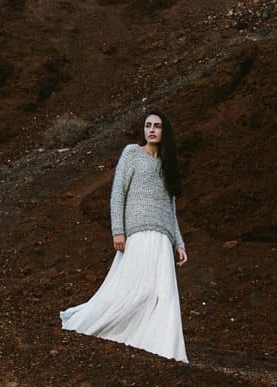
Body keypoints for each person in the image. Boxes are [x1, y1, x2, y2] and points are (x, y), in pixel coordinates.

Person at [60, 111, 189, 362]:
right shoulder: (131, 153)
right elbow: (118, 193)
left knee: (163, 293)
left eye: (158, 126)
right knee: (135, 289)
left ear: (165, 132)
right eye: (148, 125)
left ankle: (163, 347)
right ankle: (95, 325)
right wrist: (118, 230)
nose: (151, 130)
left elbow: (170, 208)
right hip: (137, 233)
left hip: (162, 237)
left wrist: (179, 242)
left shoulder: (167, 164)